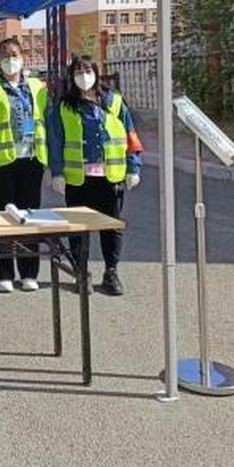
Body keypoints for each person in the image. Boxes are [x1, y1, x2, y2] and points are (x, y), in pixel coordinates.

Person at [47, 55, 143, 296]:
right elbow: (55, 141)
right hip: (78, 179)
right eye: (78, 72)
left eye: (88, 71)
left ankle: (111, 273)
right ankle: (81, 272)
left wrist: (134, 167)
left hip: (110, 177)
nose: (84, 76)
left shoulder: (115, 102)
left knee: (111, 228)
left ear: (97, 73)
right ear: (71, 77)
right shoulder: (64, 107)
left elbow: (130, 135)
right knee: (78, 228)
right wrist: (57, 172)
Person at [0, 37, 48, 293]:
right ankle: (4, 273)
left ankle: (29, 272)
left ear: (23, 57)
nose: (10, 60)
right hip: (0, 163)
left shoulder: (38, 87)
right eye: (5, 56)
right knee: (2, 220)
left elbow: (45, 122)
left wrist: (51, 164)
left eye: (14, 54)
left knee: (29, 218)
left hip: (31, 161)